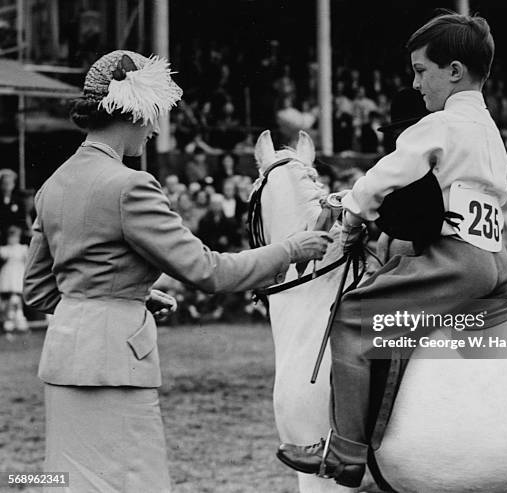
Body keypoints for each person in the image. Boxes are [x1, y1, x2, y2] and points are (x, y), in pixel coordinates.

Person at [22, 50, 332, 493]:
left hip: (63, 358)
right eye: (153, 117)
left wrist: (126, 293)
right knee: (135, 483)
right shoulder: (130, 185)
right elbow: (210, 272)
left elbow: (37, 290)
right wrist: (290, 248)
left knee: (72, 483)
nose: (154, 130)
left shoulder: (53, 185)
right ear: (134, 111)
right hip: (117, 363)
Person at [277, 13, 507, 488]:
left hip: (455, 260)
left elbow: (384, 176)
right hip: (495, 262)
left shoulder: (440, 124)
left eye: (421, 71)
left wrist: (351, 212)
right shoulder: (488, 128)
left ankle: (344, 452)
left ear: (454, 71)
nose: (415, 82)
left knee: (352, 313)